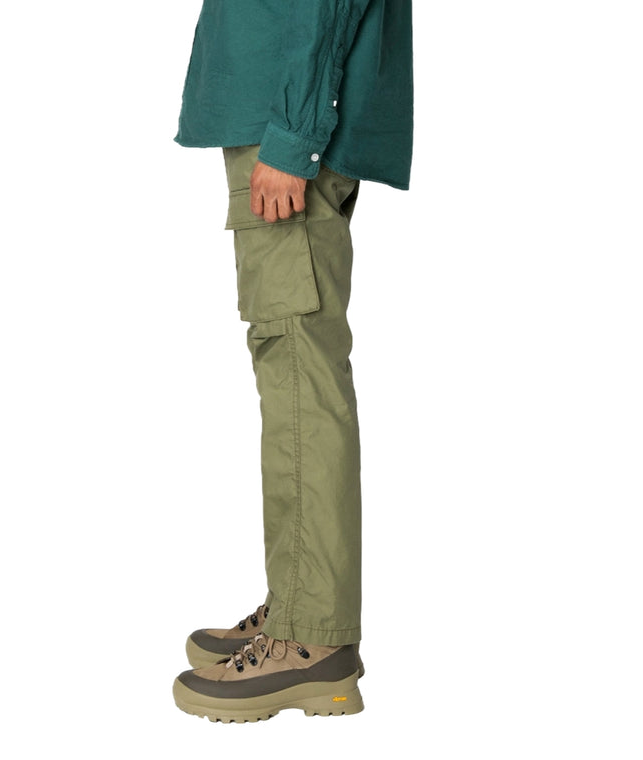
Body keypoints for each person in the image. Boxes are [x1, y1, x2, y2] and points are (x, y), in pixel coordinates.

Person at [171, 0, 413, 722]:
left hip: (287, 120)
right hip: (284, 111)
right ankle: (298, 605)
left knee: (300, 376)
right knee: (292, 370)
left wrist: (295, 131)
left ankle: (312, 638)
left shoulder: (291, 129)